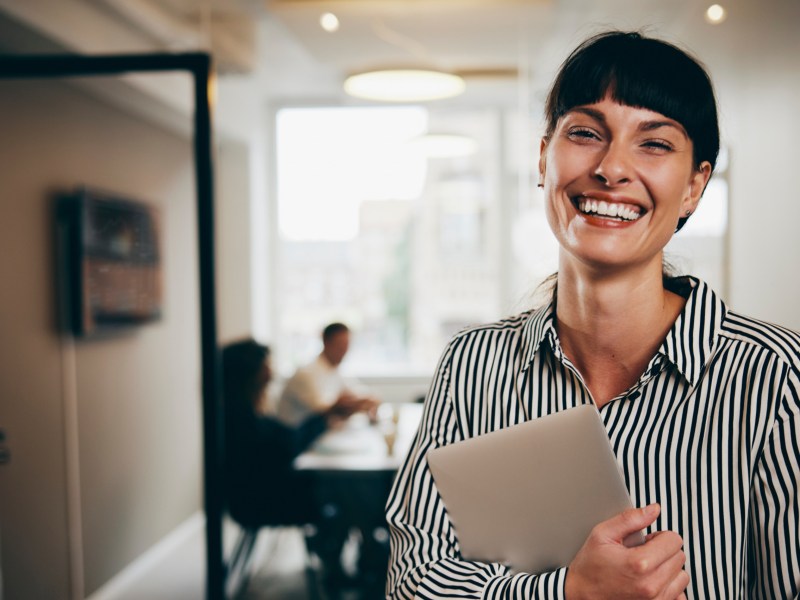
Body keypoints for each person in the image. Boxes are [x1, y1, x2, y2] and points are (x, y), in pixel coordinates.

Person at [385, 31, 800, 600]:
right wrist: (567, 591)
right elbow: (413, 584)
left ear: (694, 187)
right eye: (585, 133)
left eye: (653, 144)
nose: (611, 168)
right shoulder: (471, 364)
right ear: (542, 157)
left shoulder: (775, 378)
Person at [221, 338, 365, 526]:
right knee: (349, 490)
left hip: (263, 495)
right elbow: (288, 445)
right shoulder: (244, 420)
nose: (271, 373)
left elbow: (287, 440)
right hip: (267, 501)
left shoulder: (239, 414)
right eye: (266, 366)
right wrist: (327, 415)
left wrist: (327, 415)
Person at [277, 322, 377, 425]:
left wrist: (367, 401)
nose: (344, 351)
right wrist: (354, 405)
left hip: (319, 435)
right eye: (340, 345)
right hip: (297, 437)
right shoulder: (306, 374)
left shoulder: (335, 370)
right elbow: (325, 412)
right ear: (326, 342)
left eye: (347, 345)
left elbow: (361, 394)